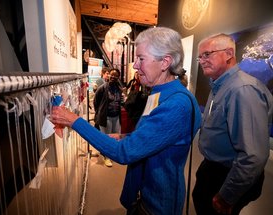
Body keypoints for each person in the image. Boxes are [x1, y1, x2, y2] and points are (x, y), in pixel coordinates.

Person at [50, 27, 201, 214]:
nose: (135, 65)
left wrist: (74, 121)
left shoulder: (177, 104)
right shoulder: (159, 93)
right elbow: (160, 134)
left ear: (165, 62)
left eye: (141, 59)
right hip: (145, 194)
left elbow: (124, 153)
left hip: (156, 205)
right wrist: (126, 136)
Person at [192, 33, 273, 215]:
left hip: (226, 175)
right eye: (200, 56)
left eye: (207, 54)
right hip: (213, 169)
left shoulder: (242, 90)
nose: (202, 60)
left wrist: (227, 195)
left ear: (229, 53)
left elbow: (253, 156)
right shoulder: (220, 85)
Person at [93, 68, 123, 167]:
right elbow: (96, 101)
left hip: (116, 117)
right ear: (108, 75)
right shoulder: (102, 88)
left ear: (118, 77)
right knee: (105, 138)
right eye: (112, 75)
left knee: (115, 137)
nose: (113, 77)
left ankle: (112, 154)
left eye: (116, 75)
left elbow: (119, 102)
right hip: (106, 117)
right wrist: (100, 112)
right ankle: (106, 156)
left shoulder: (119, 88)